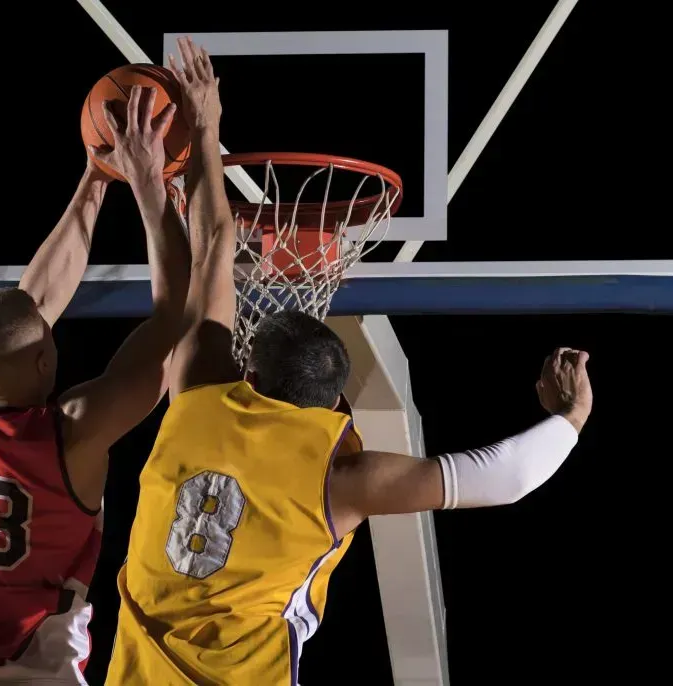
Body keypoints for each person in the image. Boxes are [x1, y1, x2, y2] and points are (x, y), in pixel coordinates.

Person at [104, 37, 594, 686]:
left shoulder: (196, 394)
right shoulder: (337, 480)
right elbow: (503, 479)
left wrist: (197, 129)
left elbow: (216, 246)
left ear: (248, 371)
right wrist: (573, 414)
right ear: (334, 406)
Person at [0, 86, 190, 685]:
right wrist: (147, 186)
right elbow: (174, 319)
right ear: (42, 361)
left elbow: (31, 306)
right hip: (33, 672)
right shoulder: (74, 430)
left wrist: (95, 179)